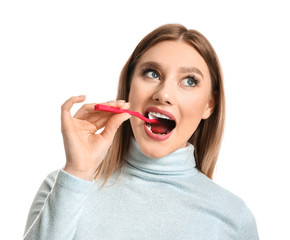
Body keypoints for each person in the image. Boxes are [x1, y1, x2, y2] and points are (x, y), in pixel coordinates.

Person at [23, 24, 259, 239]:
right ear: (129, 86)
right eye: (152, 73)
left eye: (189, 81)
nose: (164, 94)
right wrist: (78, 172)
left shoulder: (233, 219)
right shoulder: (62, 187)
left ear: (209, 105)